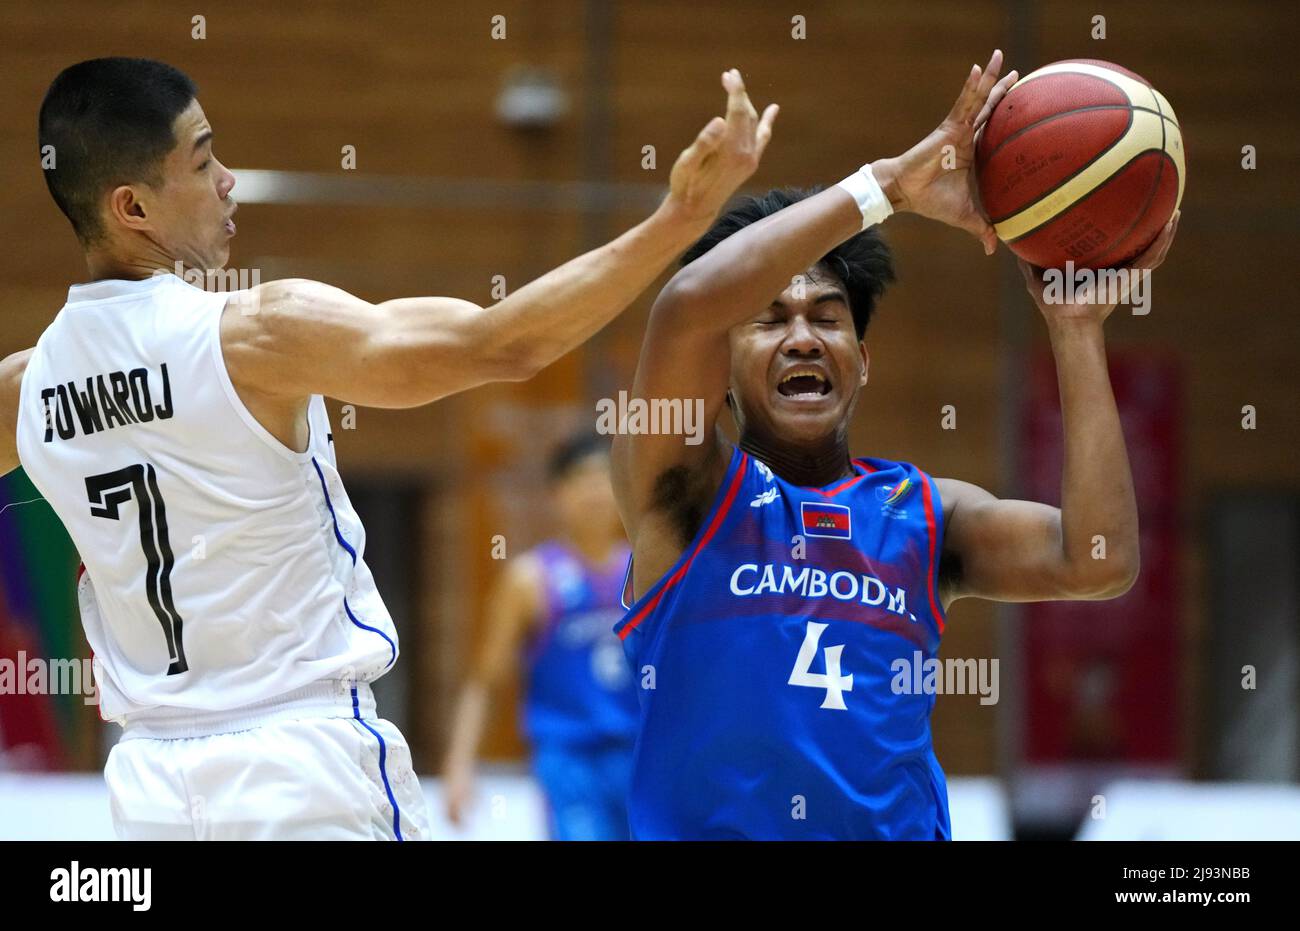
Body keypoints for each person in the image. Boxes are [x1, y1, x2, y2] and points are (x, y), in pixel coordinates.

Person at [0, 56, 775, 840]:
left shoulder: (25, 389)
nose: (228, 179)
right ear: (132, 206)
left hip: (149, 789)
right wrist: (677, 220)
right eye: (203, 160)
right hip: (303, 766)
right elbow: (501, 343)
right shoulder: (256, 335)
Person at [610, 50, 1179, 839]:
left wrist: (1074, 330)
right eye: (771, 319)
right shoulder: (684, 491)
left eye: (829, 316)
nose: (803, 337)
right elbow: (689, 306)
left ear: (863, 361)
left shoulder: (926, 513)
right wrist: (888, 188)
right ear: (724, 376)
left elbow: (1099, 557)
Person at [443, 434, 638, 839]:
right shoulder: (531, 578)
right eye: (582, 479)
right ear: (557, 493)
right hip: (570, 758)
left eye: (605, 479)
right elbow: (485, 680)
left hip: (641, 753)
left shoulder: (647, 573)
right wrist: (460, 765)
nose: (595, 492)